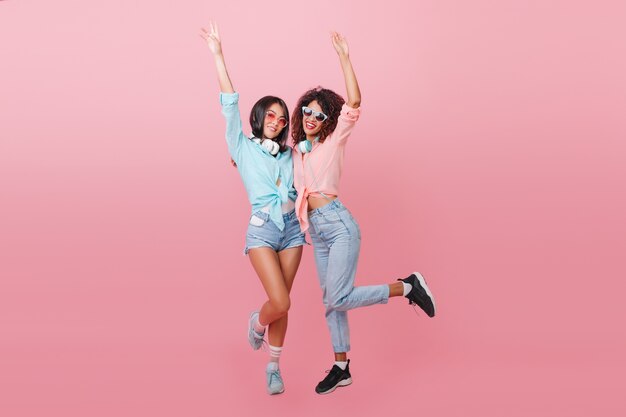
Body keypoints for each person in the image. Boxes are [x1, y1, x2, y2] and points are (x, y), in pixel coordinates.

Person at [291, 32, 436, 395]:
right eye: (306, 110)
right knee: (331, 302)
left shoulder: (334, 139)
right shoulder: (300, 151)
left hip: (338, 226)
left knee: (337, 297)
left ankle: (406, 286)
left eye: (318, 112)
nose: (310, 116)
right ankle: (342, 366)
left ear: (328, 118)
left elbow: (354, 101)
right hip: (319, 233)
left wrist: (344, 57)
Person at [201, 22, 306, 395]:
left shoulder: (291, 154)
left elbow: (308, 177)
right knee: (279, 300)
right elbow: (229, 103)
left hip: (293, 229)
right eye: (271, 116)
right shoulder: (242, 148)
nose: (277, 122)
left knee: (286, 305)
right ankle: (255, 324)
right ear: (260, 118)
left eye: (282, 118)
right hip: (263, 228)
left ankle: (274, 366)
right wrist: (218, 55)